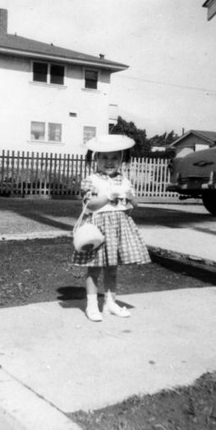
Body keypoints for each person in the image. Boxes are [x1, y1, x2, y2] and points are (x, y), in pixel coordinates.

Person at [73, 134, 150, 322]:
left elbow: (135, 204)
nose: (110, 162)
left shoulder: (124, 181)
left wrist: (130, 197)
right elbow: (89, 205)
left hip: (119, 227)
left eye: (115, 157)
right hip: (98, 228)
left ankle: (110, 302)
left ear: (121, 160)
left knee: (112, 269)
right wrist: (108, 195)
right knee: (94, 268)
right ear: (96, 159)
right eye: (104, 157)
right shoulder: (91, 180)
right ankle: (92, 305)